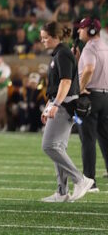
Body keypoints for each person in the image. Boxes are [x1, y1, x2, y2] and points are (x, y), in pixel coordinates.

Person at [39, 21, 95, 202]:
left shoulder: (62, 53)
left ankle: (80, 179)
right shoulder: (60, 53)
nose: (42, 41)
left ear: (55, 37)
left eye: (45, 38)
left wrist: (55, 105)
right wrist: (49, 105)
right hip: (61, 103)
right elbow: (57, 85)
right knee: (58, 147)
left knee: (49, 146)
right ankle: (62, 192)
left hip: (65, 105)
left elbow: (66, 82)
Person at [76, 18, 108, 186]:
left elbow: (89, 69)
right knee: (105, 138)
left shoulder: (90, 47)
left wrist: (80, 88)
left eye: (81, 28)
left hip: (91, 96)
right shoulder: (104, 45)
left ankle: (89, 181)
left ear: (90, 30)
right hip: (105, 97)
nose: (78, 31)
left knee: (88, 140)